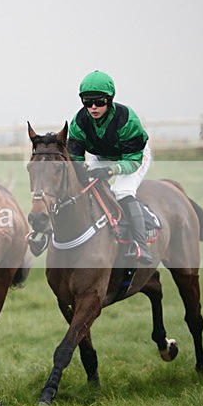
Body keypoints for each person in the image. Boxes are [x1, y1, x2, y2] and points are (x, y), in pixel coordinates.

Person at [67, 70, 153, 265]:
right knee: (84, 185)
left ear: (110, 99)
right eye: (88, 103)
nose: (94, 107)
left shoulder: (126, 118)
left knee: (122, 190)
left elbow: (132, 160)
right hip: (103, 155)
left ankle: (141, 245)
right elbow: (75, 158)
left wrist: (109, 171)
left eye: (99, 102)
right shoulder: (79, 122)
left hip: (135, 155)